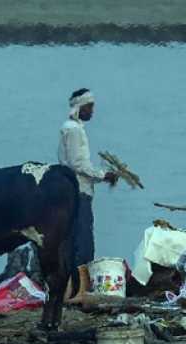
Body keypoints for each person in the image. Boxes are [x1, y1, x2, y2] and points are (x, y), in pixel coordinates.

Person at [58, 88, 118, 274]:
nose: (92, 111)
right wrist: (103, 175)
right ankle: (81, 281)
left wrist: (100, 176)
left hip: (73, 189)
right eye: (89, 107)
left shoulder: (71, 128)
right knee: (83, 241)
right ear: (80, 107)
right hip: (79, 192)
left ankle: (72, 279)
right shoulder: (74, 130)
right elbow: (78, 164)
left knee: (74, 238)